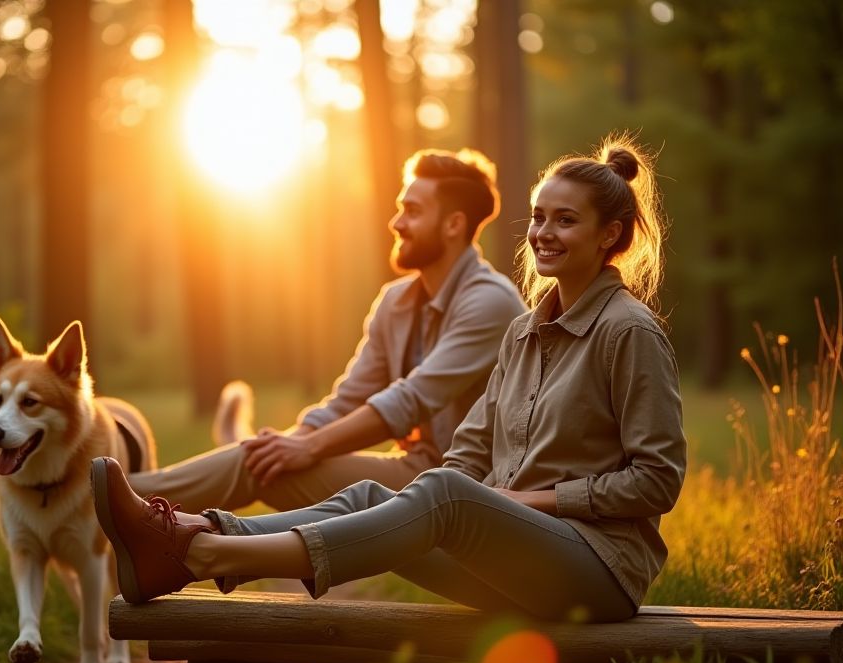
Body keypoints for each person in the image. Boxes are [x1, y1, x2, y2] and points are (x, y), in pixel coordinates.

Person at [93, 135, 687, 622]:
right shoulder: (525, 332)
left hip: (598, 572)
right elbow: (469, 453)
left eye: (565, 220)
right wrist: (432, 500)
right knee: (378, 496)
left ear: (609, 234)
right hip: (513, 558)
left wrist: (518, 500)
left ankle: (202, 553)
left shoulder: (628, 332)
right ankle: (195, 538)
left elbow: (657, 481)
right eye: (537, 217)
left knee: (440, 492)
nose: (542, 233)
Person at [126, 148, 524, 514]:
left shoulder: (489, 302)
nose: (396, 222)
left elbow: (409, 401)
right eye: (400, 208)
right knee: (265, 461)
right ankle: (122, 500)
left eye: (413, 211)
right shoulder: (397, 301)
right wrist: (288, 443)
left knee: (266, 466)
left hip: (473, 488)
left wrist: (306, 448)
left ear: (454, 224)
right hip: (420, 469)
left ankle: (114, 498)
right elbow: (349, 399)